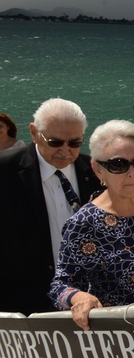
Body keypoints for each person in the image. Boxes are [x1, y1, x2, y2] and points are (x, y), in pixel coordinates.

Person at [49, 120, 134, 329]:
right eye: (118, 164)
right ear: (98, 170)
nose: (132, 172)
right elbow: (60, 286)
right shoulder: (84, 223)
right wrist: (79, 297)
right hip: (123, 338)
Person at [0, 98, 102, 315]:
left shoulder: (96, 172)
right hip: (21, 307)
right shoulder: (4, 171)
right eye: (55, 142)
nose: (65, 152)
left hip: (90, 305)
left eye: (75, 143)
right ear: (34, 133)